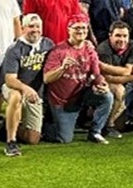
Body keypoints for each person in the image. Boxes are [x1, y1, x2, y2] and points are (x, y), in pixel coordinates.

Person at [41, 15, 113, 144]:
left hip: (81, 95)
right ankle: (47, 124)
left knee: (107, 96)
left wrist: (102, 84)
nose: (81, 31)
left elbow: (96, 73)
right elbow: (46, 79)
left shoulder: (89, 48)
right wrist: (62, 68)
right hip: (62, 101)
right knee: (64, 139)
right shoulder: (58, 50)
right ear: (69, 29)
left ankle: (95, 132)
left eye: (84, 28)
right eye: (77, 28)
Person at [0, 13, 54, 155]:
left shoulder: (48, 44)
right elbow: (10, 80)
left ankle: (4, 127)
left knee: (33, 139)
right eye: (31, 26)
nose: (35, 30)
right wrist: (26, 89)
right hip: (14, 86)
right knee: (16, 97)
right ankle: (10, 141)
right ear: (23, 28)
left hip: (35, 91)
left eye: (37, 26)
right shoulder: (14, 49)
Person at [95, 21, 133, 138]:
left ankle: (106, 121)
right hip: (100, 83)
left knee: (121, 125)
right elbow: (108, 77)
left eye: (125, 36)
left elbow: (128, 69)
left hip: (124, 83)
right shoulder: (103, 48)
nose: (122, 39)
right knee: (119, 90)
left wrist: (125, 73)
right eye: (118, 35)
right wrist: (130, 76)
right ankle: (107, 126)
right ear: (110, 35)